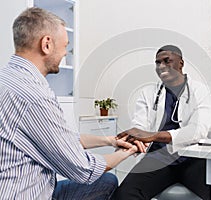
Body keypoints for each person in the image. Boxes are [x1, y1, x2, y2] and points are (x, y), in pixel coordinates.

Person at [0, 7, 139, 200]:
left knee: (107, 181)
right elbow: (84, 170)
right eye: (65, 45)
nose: (66, 52)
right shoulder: (34, 97)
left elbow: (63, 139)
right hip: (25, 194)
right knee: (105, 179)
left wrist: (110, 140)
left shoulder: (8, 79)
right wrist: (127, 152)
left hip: (22, 185)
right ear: (46, 44)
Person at [112, 45, 211, 200]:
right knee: (124, 194)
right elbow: (140, 127)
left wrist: (152, 136)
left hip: (193, 159)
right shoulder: (148, 93)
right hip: (157, 158)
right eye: (158, 63)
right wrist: (132, 140)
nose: (161, 66)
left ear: (181, 63)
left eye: (167, 61)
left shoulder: (200, 91)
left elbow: (198, 131)